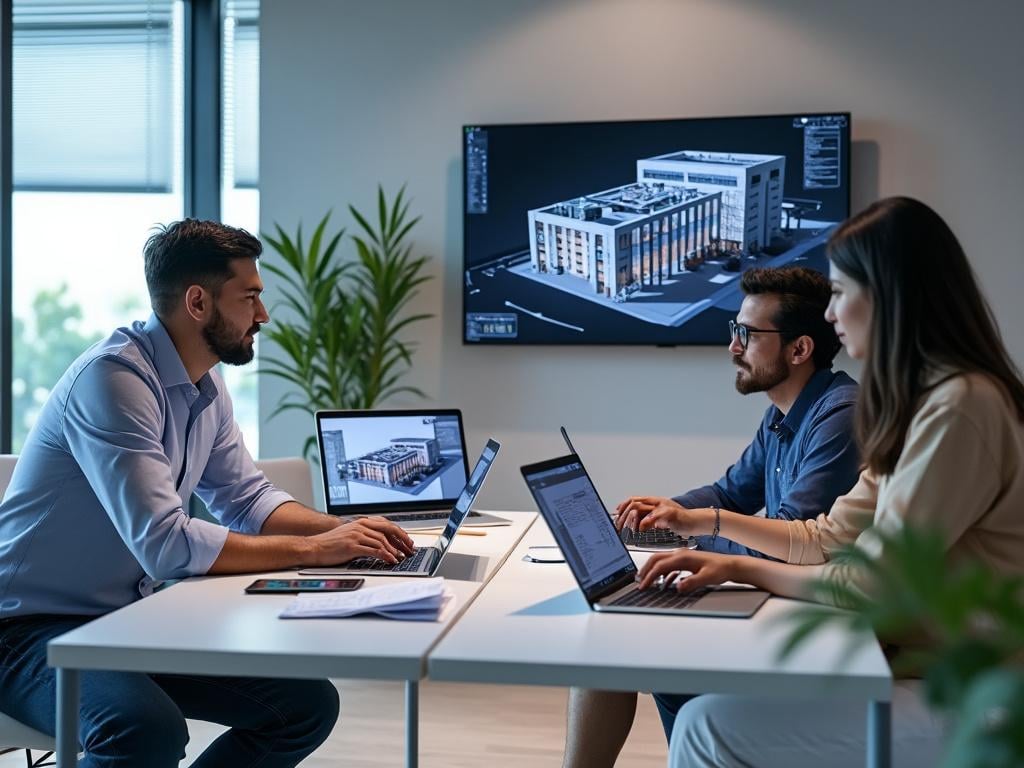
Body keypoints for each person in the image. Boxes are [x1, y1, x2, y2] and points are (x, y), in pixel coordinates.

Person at [0, 220, 416, 768]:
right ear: (198, 302)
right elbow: (166, 545)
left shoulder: (204, 383)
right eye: (250, 297)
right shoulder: (113, 381)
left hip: (126, 617)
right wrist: (317, 551)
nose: (262, 316)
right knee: (142, 729)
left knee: (305, 705)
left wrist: (344, 533)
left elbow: (246, 498)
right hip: (26, 629)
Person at [635, 196, 1024, 767]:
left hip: (980, 695)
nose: (832, 315)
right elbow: (825, 537)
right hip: (913, 664)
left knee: (705, 726)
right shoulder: (926, 404)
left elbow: (874, 585)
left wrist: (736, 564)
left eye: (841, 293)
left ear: (889, 294)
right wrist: (703, 528)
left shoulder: (959, 407)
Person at [563, 266, 862, 768]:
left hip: (813, 621)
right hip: (779, 603)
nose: (733, 347)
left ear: (799, 349)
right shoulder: (784, 413)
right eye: (733, 331)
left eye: (747, 334)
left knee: (625, 647)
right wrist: (664, 514)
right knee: (618, 644)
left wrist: (694, 533)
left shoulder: (840, 414)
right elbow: (730, 493)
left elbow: (786, 536)